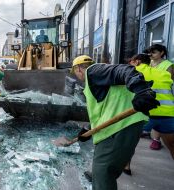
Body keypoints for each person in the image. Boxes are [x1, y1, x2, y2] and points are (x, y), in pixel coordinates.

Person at [67, 55, 159, 190]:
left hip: (119, 128)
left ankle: (100, 178)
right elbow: (103, 109)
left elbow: (124, 70)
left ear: (78, 69)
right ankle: (98, 175)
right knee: (104, 167)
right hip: (121, 126)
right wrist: (87, 130)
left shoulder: (92, 71)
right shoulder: (98, 80)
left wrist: (142, 90)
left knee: (103, 173)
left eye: (75, 72)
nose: (77, 76)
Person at [129, 53, 174, 158]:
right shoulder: (163, 74)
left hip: (142, 116)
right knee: (172, 145)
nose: (129, 64)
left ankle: (127, 167)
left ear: (137, 61)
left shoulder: (132, 73)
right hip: (167, 115)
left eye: (131, 61)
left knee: (127, 143)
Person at [143, 44, 174, 150]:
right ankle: (149, 133)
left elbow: (169, 81)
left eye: (154, 52)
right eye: (150, 52)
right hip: (148, 95)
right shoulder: (148, 63)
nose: (151, 54)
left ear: (162, 53)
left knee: (160, 117)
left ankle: (156, 140)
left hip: (162, 97)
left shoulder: (168, 65)